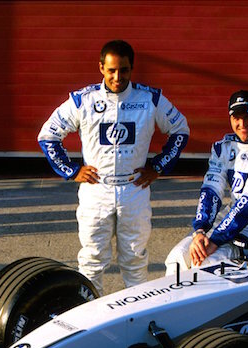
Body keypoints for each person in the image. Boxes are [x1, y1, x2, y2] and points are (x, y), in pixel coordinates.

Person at [38, 40, 189, 295]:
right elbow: (48, 134)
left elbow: (180, 129)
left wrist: (159, 166)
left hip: (134, 189)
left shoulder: (150, 99)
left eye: (124, 70)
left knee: (135, 261)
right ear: (101, 68)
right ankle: (88, 316)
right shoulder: (83, 100)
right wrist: (72, 171)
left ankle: (135, 316)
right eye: (111, 70)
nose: (118, 77)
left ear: (132, 69)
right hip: (97, 189)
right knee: (91, 261)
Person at [165, 90, 248, 274]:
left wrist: (216, 240)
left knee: (206, 264)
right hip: (227, 218)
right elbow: (211, 191)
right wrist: (200, 231)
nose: (242, 124)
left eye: (247, 116)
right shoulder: (223, 147)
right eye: (236, 118)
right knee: (177, 258)